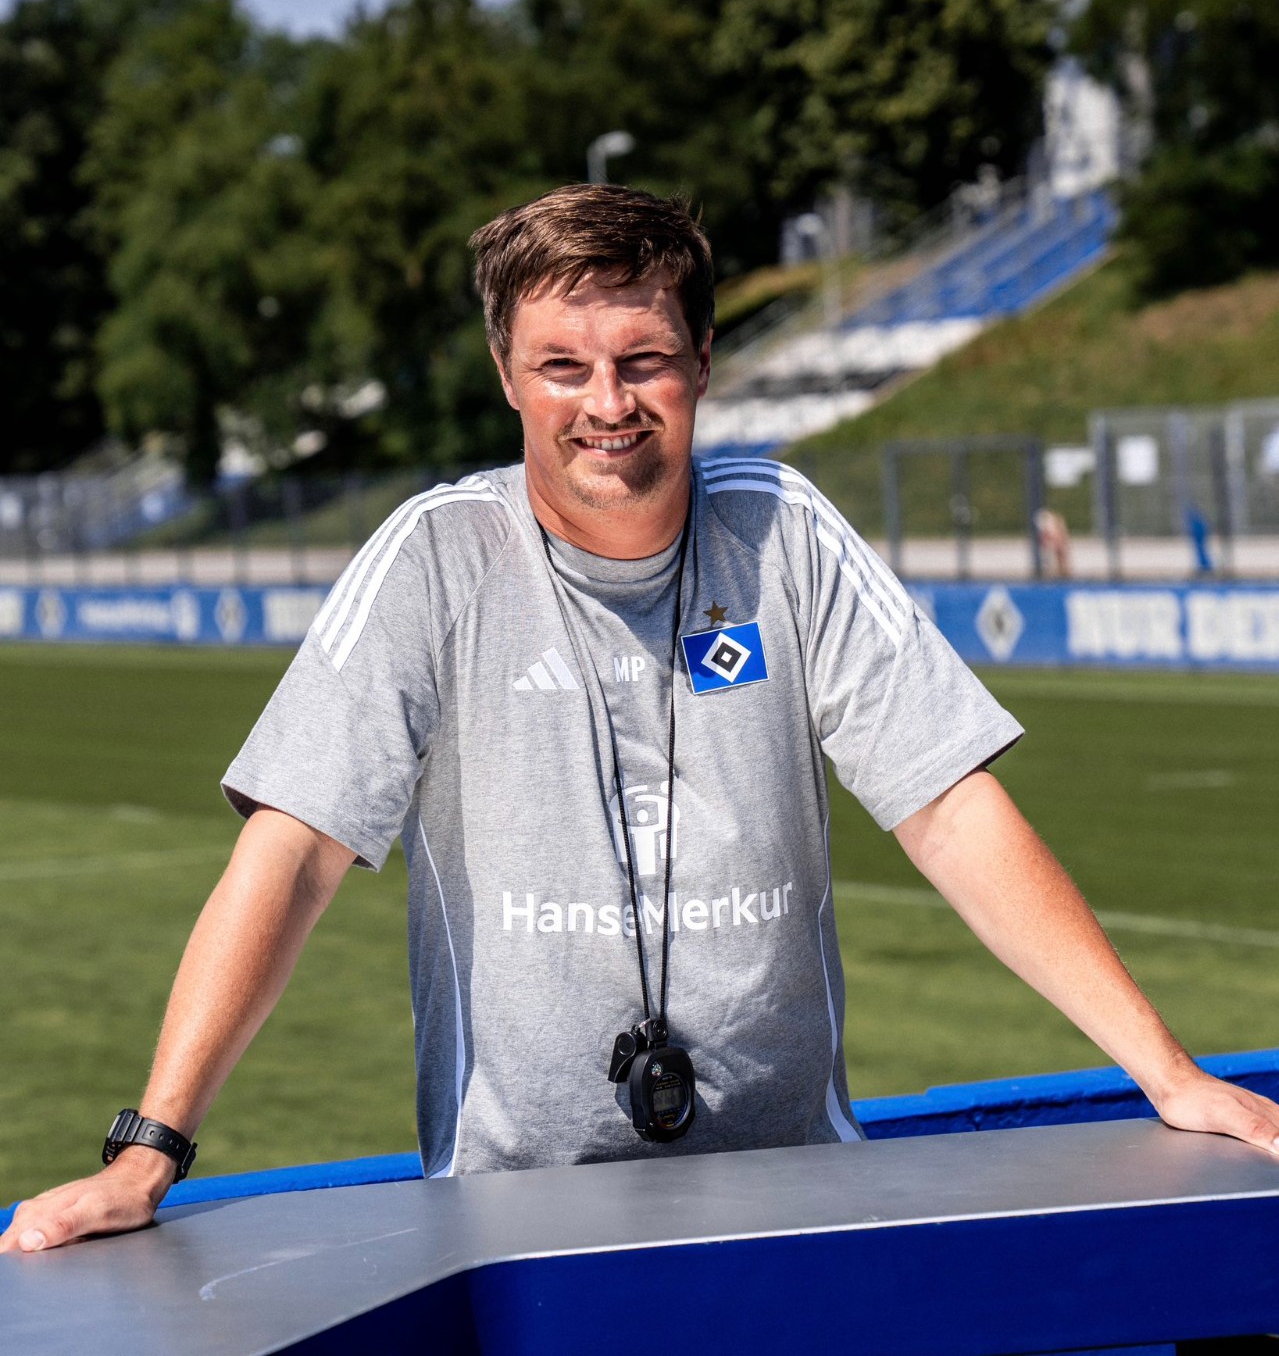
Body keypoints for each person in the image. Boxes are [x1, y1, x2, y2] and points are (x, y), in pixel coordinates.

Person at [4, 184, 1277, 1255]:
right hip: (512, 1218)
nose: (605, 401)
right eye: (562, 365)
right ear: (508, 376)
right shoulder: (436, 557)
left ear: (703, 362)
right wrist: (150, 1149)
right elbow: (291, 851)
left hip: (795, 1192)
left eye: (643, 359)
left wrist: (1165, 1072)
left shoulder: (782, 530)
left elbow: (948, 807)